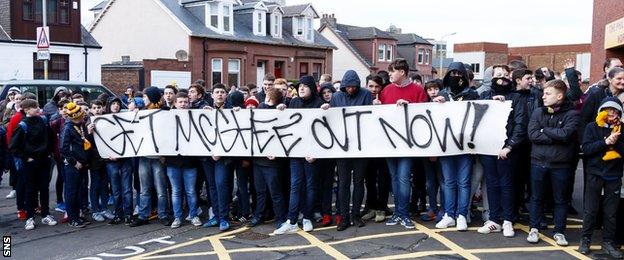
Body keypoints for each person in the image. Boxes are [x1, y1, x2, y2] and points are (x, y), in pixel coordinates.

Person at [525, 80, 580, 246]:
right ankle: (534, 229)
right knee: (536, 198)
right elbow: (532, 135)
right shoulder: (537, 112)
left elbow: (566, 135)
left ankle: (559, 231)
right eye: (544, 93)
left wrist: (545, 130)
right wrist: (554, 135)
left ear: (560, 95)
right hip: (538, 163)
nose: (543, 97)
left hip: (561, 165)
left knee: (561, 200)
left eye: (547, 93)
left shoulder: (572, 114)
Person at [476, 65, 527, 237]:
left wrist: (510, 146)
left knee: (506, 184)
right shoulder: (485, 96)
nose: (503, 78)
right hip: (488, 148)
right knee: (491, 184)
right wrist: (492, 104)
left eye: (506, 75)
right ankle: (493, 219)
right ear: (491, 77)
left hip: (507, 149)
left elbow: (520, 125)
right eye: (499, 75)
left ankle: (507, 220)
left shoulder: (517, 98)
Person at [321, 69, 373, 231]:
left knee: (358, 182)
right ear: (344, 86)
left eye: (353, 87)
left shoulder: (365, 94)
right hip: (343, 147)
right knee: (343, 183)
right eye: (348, 87)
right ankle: (343, 216)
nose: (350, 89)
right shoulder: (337, 97)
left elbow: (370, 116)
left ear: (357, 85)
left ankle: (356, 214)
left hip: (360, 146)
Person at [274, 76, 323, 234]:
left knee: (310, 186)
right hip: (296, 152)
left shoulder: (319, 104)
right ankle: (292, 220)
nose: (301, 88)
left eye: (305, 86)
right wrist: (282, 109)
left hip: (311, 153)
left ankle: (307, 217)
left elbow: (325, 132)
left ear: (312, 88)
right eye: (299, 86)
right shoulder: (293, 102)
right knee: (295, 185)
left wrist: (316, 152)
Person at [434, 62, 480, 231]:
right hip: (447, 145)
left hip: (465, 146)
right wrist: (435, 104)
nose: (456, 77)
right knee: (449, 182)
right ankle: (449, 215)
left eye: (458, 73)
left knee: (464, 182)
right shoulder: (442, 94)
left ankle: (461, 214)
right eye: (452, 73)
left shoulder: (473, 95)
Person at [578, 97, 624, 258]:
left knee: (611, 212)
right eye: (608, 110)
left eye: (615, 110)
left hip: (614, 175)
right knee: (591, 210)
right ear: (601, 111)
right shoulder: (592, 127)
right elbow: (587, 149)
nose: (611, 113)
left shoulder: (621, 129)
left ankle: (608, 243)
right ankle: (585, 240)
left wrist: (616, 140)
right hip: (595, 173)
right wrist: (605, 142)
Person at [9, 99, 57, 230]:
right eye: (34, 107)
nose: (38, 108)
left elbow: (51, 138)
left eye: (37, 106)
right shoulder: (22, 125)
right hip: (30, 163)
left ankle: (45, 214)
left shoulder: (43, 121)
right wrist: (26, 158)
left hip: (44, 160)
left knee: (44, 188)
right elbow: (13, 146)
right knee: (30, 190)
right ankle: (30, 217)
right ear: (27, 110)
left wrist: (49, 153)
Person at [130, 87, 171, 227]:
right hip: (144, 156)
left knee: (160, 189)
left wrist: (164, 153)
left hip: (158, 158)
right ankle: (143, 215)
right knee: (144, 189)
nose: (143, 99)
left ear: (152, 98)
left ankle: (163, 214)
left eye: (146, 97)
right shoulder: (140, 113)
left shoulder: (165, 113)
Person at [248, 88, 287, 229]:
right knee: (261, 191)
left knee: (274, 192)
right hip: (260, 160)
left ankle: (280, 216)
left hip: (272, 163)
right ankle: (260, 214)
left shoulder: (278, 112)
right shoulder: (262, 109)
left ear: (270, 98)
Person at [165, 92, 202, 228]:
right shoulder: (166, 117)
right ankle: (177, 217)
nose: (183, 104)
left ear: (189, 103)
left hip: (190, 162)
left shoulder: (195, 117)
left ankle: (193, 215)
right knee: (176, 191)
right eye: (180, 102)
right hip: (172, 162)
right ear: (175, 104)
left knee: (191, 191)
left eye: (185, 102)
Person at [361, 74, 391, 223]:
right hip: (367, 146)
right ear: (366, 86)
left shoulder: (385, 100)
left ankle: (381, 207)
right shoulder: (362, 99)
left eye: (377, 86)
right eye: (371, 86)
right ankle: (371, 207)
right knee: (369, 178)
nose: (373, 89)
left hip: (383, 145)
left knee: (383, 178)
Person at [101, 97, 135, 225]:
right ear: (109, 105)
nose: (116, 106)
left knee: (126, 189)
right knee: (115, 190)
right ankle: (118, 214)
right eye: (113, 104)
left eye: (118, 104)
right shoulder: (102, 121)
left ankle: (128, 214)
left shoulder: (125, 117)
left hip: (125, 159)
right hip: (111, 160)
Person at [60, 102, 91, 228]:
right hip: (73, 166)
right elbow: (64, 149)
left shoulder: (81, 126)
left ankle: (78, 216)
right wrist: (74, 162)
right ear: (75, 117)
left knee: (79, 191)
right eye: (81, 115)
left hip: (82, 163)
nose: (84, 116)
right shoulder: (67, 128)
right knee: (71, 192)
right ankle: (73, 219)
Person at [86, 100, 113, 222]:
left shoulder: (106, 120)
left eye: (99, 107)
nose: (97, 109)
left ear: (102, 108)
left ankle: (104, 208)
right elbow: (86, 144)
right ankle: (95, 210)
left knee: (104, 184)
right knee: (95, 185)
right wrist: (89, 133)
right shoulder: (88, 123)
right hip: (94, 159)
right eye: (94, 107)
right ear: (91, 109)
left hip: (106, 158)